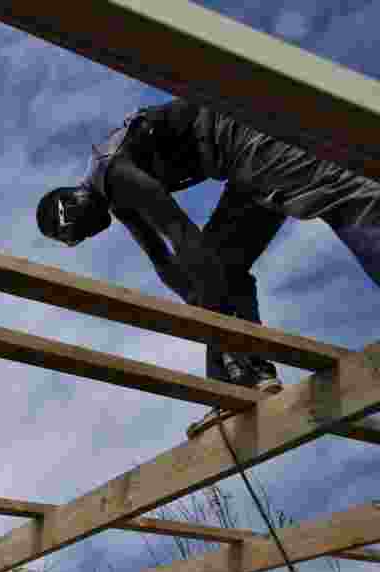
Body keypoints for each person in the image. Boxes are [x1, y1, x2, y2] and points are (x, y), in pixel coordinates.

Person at [35, 98, 380, 435]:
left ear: (73, 206)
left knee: (343, 196)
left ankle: (237, 364)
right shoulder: (113, 195)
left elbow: (183, 235)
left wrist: (214, 319)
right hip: (237, 159)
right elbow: (164, 261)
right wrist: (203, 307)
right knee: (222, 268)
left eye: (78, 235)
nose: (87, 237)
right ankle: (239, 383)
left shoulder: (113, 174)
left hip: (246, 133)